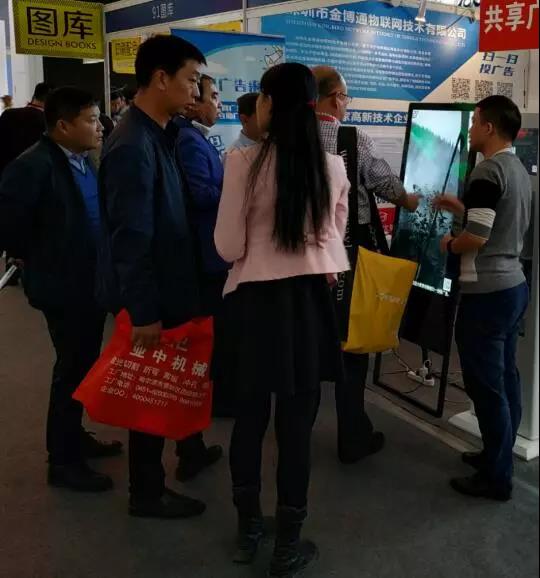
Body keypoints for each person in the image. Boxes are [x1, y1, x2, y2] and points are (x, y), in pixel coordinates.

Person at [215, 63, 350, 576]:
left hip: (253, 305)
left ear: (268, 104)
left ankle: (249, 529)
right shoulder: (332, 167)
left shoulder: (242, 162)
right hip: (309, 309)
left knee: (248, 422)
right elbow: (334, 240)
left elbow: (227, 246)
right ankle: (288, 546)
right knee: (297, 431)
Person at [98, 35, 209, 519]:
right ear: (161, 78)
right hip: (153, 296)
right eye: (190, 80)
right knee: (147, 391)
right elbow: (130, 236)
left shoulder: (158, 133)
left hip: (169, 286)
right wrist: (143, 312)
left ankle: (165, 472)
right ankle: (146, 492)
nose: (196, 91)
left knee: (162, 385)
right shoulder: (132, 145)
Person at [0, 87, 122, 492]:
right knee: (71, 368)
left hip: (89, 280)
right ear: (63, 126)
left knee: (83, 364)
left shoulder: (84, 160)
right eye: (91, 120)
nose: (100, 127)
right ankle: (63, 460)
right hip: (63, 286)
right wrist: (36, 257)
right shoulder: (32, 166)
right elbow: (10, 225)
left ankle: (75, 436)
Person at [312, 66, 420, 464]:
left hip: (299, 264)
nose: (346, 104)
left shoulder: (285, 140)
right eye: (345, 97)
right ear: (334, 98)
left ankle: (296, 439)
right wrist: (413, 200)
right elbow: (386, 184)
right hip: (347, 260)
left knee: (306, 349)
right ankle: (352, 436)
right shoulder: (351, 139)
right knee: (351, 347)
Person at [435, 96, 532, 501]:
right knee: (505, 377)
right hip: (513, 286)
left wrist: (449, 243)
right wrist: (462, 208)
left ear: (489, 127)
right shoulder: (516, 168)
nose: (471, 128)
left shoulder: (487, 171)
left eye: (475, 122)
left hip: (487, 292)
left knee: (487, 386)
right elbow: (495, 219)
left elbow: (477, 237)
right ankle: (497, 455)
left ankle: (497, 477)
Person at [172, 74, 226, 481]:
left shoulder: (195, 138)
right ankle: (188, 448)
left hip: (205, 259)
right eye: (212, 96)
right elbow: (201, 195)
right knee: (195, 357)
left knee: (198, 357)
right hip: (202, 261)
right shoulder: (189, 141)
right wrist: (237, 191)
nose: (217, 104)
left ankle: (191, 444)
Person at [0, 83, 54, 285]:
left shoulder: (9, 116)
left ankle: (12, 269)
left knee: (13, 223)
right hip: (38, 182)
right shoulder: (45, 121)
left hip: (8, 179)